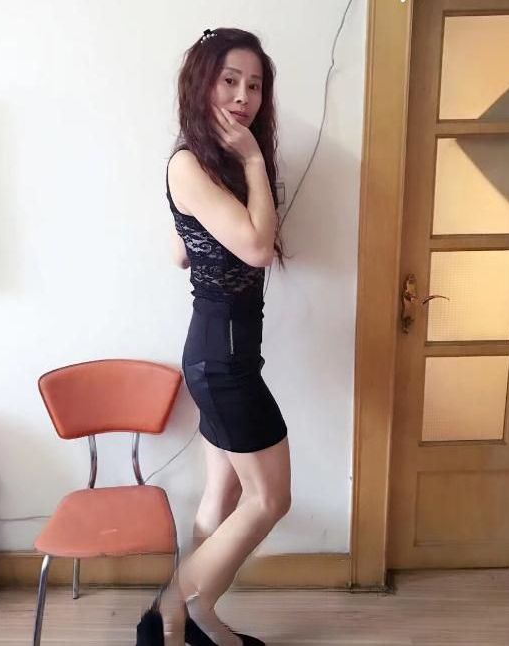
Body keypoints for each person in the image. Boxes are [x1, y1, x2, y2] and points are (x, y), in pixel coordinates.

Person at [136, 27, 291, 646]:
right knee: (270, 500)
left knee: (222, 494)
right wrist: (254, 163)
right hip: (224, 363)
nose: (243, 97)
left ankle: (198, 623)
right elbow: (256, 247)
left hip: (219, 354)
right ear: (201, 84)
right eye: (229, 81)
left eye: (254, 85)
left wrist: (239, 173)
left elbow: (181, 253)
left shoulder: (207, 165)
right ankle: (166, 614)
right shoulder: (193, 163)